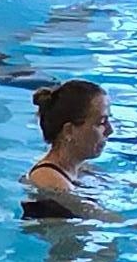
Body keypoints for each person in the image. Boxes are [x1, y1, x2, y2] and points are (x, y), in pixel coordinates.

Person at [23, 78, 108, 219]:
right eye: (101, 122)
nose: (110, 130)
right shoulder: (48, 180)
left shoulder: (83, 169)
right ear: (69, 131)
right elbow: (103, 218)